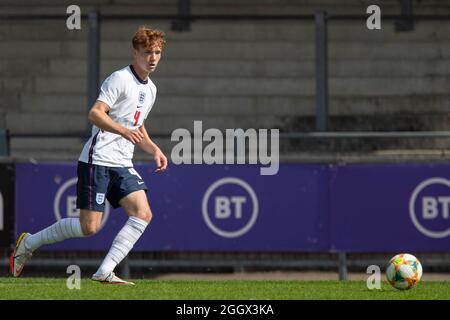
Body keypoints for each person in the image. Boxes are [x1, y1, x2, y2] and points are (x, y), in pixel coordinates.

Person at [10, 26, 168, 285]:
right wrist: (123, 131)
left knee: (143, 213)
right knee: (89, 227)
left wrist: (154, 149)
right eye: (147, 52)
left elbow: (136, 123)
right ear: (135, 52)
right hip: (98, 159)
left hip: (122, 162)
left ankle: (105, 270)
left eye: (158, 52)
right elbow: (95, 113)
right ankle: (29, 242)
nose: (153, 58)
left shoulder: (151, 89)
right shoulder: (119, 79)